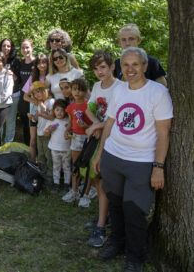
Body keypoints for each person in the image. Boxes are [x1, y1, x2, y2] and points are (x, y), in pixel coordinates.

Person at [93, 47, 172, 272]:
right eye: (126, 65)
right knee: (115, 206)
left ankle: (136, 256)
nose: (130, 69)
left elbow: (163, 133)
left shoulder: (158, 93)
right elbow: (109, 123)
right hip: (113, 157)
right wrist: (100, 154)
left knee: (135, 211)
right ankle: (117, 242)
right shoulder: (119, 90)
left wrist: (158, 167)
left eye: (135, 64)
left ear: (145, 66)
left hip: (142, 163)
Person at [84, 51, 123, 248]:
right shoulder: (97, 86)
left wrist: (98, 126)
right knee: (98, 180)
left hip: (115, 140)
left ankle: (101, 226)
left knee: (106, 181)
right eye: (96, 68)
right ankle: (103, 217)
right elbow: (89, 108)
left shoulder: (121, 87)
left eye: (103, 67)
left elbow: (117, 118)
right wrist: (97, 123)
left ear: (112, 67)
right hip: (100, 136)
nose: (99, 72)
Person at [62, 78, 93, 206]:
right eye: (74, 89)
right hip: (75, 138)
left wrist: (85, 126)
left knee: (88, 168)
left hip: (88, 138)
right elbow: (71, 122)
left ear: (86, 91)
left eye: (80, 90)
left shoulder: (89, 105)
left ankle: (86, 194)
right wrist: (67, 131)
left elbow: (93, 124)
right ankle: (74, 191)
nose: (77, 92)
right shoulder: (70, 107)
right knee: (76, 165)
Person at [23, 53, 49, 159]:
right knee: (33, 141)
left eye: (44, 62)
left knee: (47, 141)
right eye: (39, 63)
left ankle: (47, 166)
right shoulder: (33, 78)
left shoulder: (51, 77)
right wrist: (37, 102)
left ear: (48, 63)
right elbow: (25, 96)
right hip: (33, 113)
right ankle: (32, 164)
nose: (41, 65)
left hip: (47, 113)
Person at [44, 99, 71, 191]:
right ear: (53, 111)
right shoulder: (51, 121)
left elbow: (72, 134)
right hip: (54, 148)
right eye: (57, 110)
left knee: (66, 166)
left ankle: (67, 183)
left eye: (62, 110)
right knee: (56, 166)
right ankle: (56, 183)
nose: (60, 112)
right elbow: (46, 134)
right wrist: (49, 130)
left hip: (66, 148)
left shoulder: (68, 121)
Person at [29, 81, 54, 178]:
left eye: (38, 92)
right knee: (41, 155)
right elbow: (37, 118)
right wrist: (32, 117)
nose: (36, 95)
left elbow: (52, 117)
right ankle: (41, 174)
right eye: (34, 93)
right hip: (39, 133)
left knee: (49, 156)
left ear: (45, 91)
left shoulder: (51, 101)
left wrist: (42, 113)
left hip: (47, 134)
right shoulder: (40, 103)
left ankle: (50, 176)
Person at [0, 38, 21, 143]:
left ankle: (8, 144)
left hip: (13, 94)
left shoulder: (16, 60)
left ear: (11, 48)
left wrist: (13, 75)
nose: (6, 48)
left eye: (8, 46)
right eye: (4, 45)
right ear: (0, 47)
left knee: (10, 120)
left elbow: (20, 80)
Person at [18, 39, 35, 144]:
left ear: (32, 48)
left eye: (27, 47)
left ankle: (35, 150)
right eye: (23, 47)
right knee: (25, 122)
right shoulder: (20, 63)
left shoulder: (37, 62)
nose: (25, 49)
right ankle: (27, 147)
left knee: (34, 122)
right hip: (23, 97)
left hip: (34, 97)